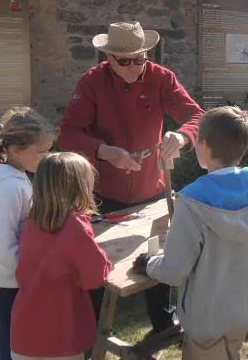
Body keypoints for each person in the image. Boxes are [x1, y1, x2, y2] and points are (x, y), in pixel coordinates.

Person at [58, 21, 204, 336]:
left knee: (159, 253)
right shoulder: (92, 83)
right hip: (102, 192)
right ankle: (92, 331)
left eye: (141, 58)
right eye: (126, 61)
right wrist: (105, 152)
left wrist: (180, 138)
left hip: (151, 188)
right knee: (96, 264)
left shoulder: (161, 78)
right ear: (108, 58)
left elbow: (197, 117)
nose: (135, 66)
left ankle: (163, 324)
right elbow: (68, 134)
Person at [132, 106, 248, 360]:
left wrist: (148, 264)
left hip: (208, 314)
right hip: (247, 304)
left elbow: (174, 270)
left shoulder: (191, 200)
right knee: (232, 352)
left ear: (204, 146)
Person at [0, 107, 58, 360]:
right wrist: (29, 276)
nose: (46, 157)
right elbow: (3, 243)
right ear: (17, 150)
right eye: (41, 152)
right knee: (11, 344)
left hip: (5, 277)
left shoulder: (10, 177)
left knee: (12, 338)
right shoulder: (9, 187)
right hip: (10, 281)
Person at [10, 152, 112, 360]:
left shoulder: (33, 222)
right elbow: (96, 277)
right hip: (61, 337)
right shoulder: (75, 226)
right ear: (78, 188)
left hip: (24, 333)